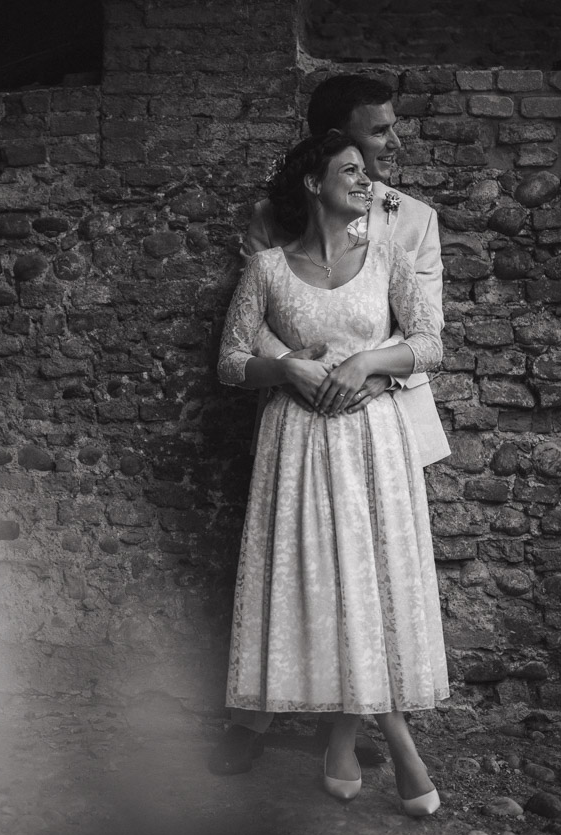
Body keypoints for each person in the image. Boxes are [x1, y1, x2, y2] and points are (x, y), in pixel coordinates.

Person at [209, 73, 451, 778]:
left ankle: (348, 725)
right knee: (299, 565)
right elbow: (255, 320)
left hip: (377, 411)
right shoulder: (274, 218)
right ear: (333, 140)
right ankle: (259, 714)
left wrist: (365, 372)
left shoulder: (413, 222)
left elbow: (424, 329)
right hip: (299, 412)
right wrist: (297, 369)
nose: (391, 144)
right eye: (379, 131)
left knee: (371, 573)